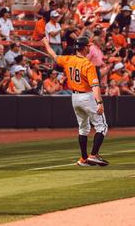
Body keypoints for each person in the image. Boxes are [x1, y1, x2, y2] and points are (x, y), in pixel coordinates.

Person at [42, 36, 109, 167]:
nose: (90, 47)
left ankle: (84, 159)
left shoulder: (68, 59)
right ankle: (94, 155)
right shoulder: (88, 64)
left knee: (83, 128)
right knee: (102, 126)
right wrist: (100, 103)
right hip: (87, 96)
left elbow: (53, 55)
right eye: (88, 46)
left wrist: (45, 43)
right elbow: (95, 86)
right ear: (84, 48)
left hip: (75, 97)